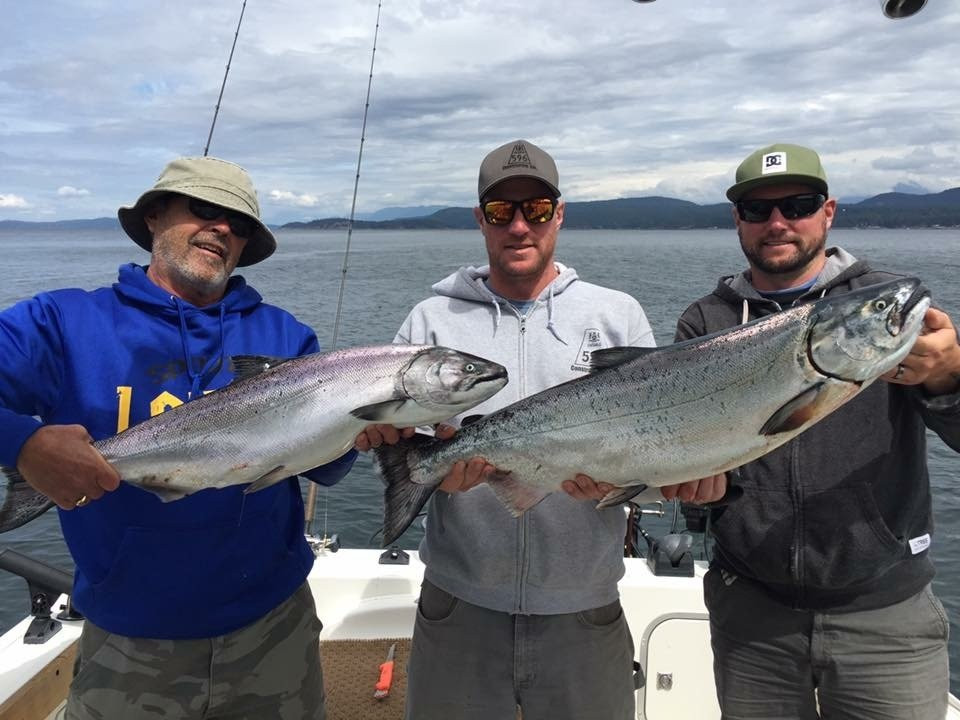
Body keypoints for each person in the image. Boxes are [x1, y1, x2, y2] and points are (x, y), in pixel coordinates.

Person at [0, 156, 369, 719]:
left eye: (239, 224)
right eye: (203, 209)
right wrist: (21, 445)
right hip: (128, 638)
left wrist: (362, 427)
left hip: (274, 630)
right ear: (153, 216)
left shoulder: (286, 337)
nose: (222, 228)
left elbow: (325, 467)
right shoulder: (62, 324)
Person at [381, 139, 725, 720]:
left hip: (584, 611)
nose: (519, 226)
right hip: (459, 606)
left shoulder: (617, 315)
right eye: (501, 211)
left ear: (559, 214)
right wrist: (436, 475)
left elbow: (649, 450)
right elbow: (395, 440)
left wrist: (656, 483)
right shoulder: (429, 322)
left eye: (536, 209)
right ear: (480, 220)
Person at [675, 142, 960, 719]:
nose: (778, 222)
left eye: (799, 205)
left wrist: (949, 376)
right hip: (751, 613)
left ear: (828, 212)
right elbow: (698, 455)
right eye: (758, 209)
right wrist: (702, 492)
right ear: (737, 219)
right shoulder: (706, 321)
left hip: (886, 614)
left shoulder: (883, 308)